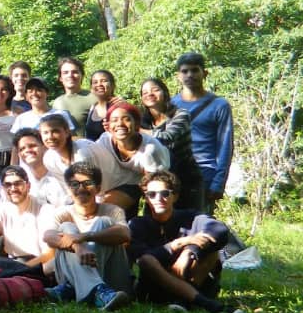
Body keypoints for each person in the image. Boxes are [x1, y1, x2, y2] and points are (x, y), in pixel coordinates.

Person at [129, 171, 241, 313]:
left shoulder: (191, 217)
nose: (158, 198)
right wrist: (179, 243)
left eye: (165, 193)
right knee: (146, 260)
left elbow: (220, 230)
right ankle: (209, 306)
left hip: (196, 281)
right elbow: (143, 257)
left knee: (211, 251)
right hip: (155, 289)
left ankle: (181, 300)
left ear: (175, 196)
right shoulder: (137, 224)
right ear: (146, 198)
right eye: (152, 194)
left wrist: (190, 251)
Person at [41, 162, 133, 310]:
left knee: (104, 223)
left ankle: (75, 290)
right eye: (75, 184)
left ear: (98, 188)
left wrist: (84, 237)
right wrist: (77, 246)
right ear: (69, 189)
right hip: (89, 279)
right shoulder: (63, 212)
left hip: (111, 279)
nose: (81, 188)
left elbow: (124, 234)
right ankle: (97, 292)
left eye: (87, 183)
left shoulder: (112, 210)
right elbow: (48, 236)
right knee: (66, 228)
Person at [170, 52, 234, 215]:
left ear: (204, 73)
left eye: (194, 70)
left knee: (200, 224)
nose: (190, 75)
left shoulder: (219, 105)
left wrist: (218, 182)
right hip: (176, 172)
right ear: (178, 76)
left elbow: (225, 146)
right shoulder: (171, 104)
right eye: (185, 71)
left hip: (205, 172)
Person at [94, 101, 171, 218]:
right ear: (108, 126)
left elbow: (155, 184)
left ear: (136, 124)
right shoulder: (104, 141)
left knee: (105, 211)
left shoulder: (149, 150)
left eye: (126, 119)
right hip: (112, 183)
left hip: (139, 183)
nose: (120, 124)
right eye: (114, 120)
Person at [139, 77, 204, 210]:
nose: (149, 94)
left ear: (165, 93)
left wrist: (137, 130)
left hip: (186, 176)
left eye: (155, 90)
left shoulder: (180, 114)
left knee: (190, 221)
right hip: (158, 181)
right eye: (145, 93)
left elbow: (168, 137)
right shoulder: (143, 121)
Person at [13, 128, 69, 207]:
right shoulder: (22, 181)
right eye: (22, 149)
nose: (27, 150)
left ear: (44, 147)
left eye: (32, 146)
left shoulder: (61, 173)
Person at [52, 57, 98, 139]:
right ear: (60, 78)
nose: (70, 75)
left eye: (75, 72)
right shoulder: (57, 102)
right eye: (66, 72)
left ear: (82, 76)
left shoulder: (95, 98)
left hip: (91, 149)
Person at [10, 77, 75, 134]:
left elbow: (70, 137)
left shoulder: (61, 114)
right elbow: (15, 143)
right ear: (26, 96)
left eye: (39, 90)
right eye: (30, 91)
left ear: (47, 93)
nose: (34, 94)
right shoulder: (21, 119)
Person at [85, 70, 122, 141]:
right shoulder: (93, 107)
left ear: (113, 85)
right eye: (95, 82)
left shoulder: (119, 106)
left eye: (104, 81)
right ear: (91, 88)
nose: (99, 84)